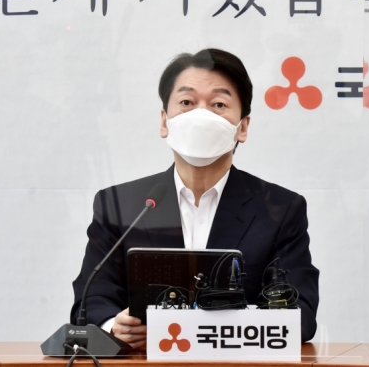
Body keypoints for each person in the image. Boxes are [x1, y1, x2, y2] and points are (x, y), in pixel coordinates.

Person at [71, 48, 319, 349]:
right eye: (187, 102)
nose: (201, 116)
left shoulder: (280, 209)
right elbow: (91, 300)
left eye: (218, 104)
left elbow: (300, 315)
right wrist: (114, 326)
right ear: (165, 121)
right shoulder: (120, 205)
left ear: (242, 127)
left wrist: (207, 330)